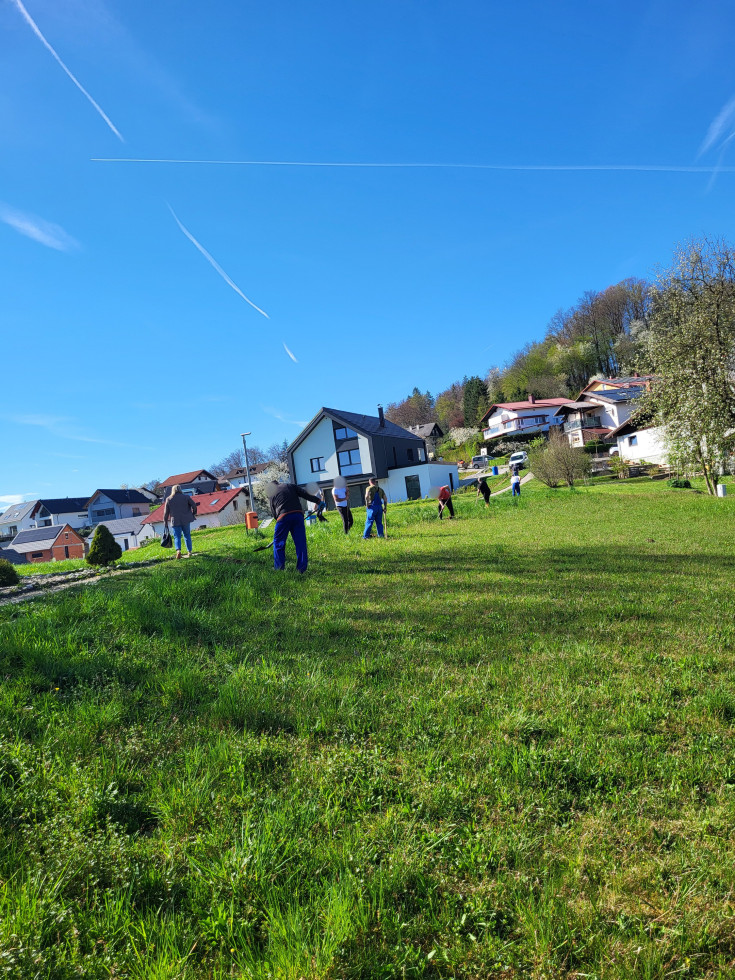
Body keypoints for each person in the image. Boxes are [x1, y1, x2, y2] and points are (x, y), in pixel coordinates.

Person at [268, 481, 322, 573]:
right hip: (298, 515)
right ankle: (301, 570)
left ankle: (279, 568)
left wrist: (281, 523)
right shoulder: (290, 486)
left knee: (278, 543)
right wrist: (318, 501)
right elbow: (305, 494)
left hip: (283, 517)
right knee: (300, 543)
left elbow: (274, 513)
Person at [163, 484, 197, 559]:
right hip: (186, 519)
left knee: (177, 537)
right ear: (180, 489)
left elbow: (166, 512)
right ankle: (189, 551)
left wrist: (165, 521)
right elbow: (194, 505)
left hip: (175, 521)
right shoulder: (186, 497)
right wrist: (193, 513)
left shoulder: (169, 499)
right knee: (187, 535)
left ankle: (178, 551)